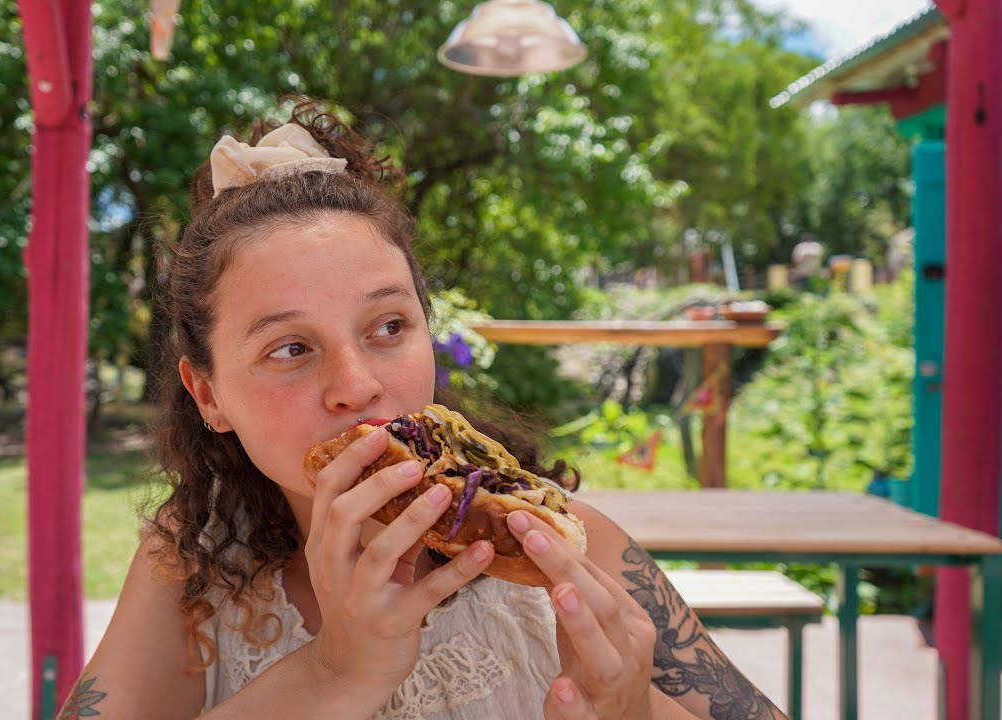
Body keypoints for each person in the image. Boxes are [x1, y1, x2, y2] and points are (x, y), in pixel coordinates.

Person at [58, 99, 786, 720]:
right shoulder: (193, 568)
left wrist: (637, 713)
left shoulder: (560, 546)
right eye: (290, 348)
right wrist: (329, 674)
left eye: (387, 328)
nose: (357, 385)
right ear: (209, 394)